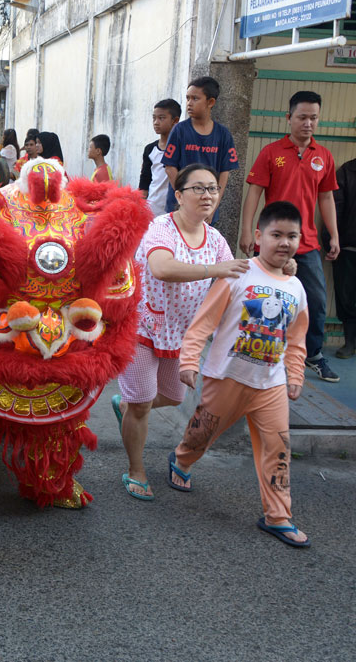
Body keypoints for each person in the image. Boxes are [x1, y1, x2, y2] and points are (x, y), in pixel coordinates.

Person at [169, 200, 310, 548]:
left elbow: (296, 340)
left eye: (292, 236)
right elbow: (204, 322)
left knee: (278, 449)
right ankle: (181, 460)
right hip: (226, 377)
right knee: (202, 434)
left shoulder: (297, 288)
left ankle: (278, 516)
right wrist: (189, 362)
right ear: (258, 236)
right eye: (276, 234)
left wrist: (295, 376)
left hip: (271, 384)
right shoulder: (237, 274)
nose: (284, 243)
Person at [113, 164, 248, 501]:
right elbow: (161, 267)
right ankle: (135, 470)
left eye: (213, 189)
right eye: (198, 188)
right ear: (179, 195)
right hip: (143, 326)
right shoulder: (161, 227)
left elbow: (239, 279)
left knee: (173, 396)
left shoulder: (215, 239)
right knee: (143, 405)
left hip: (181, 336)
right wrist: (214, 269)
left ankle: (127, 403)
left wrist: (277, 268)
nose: (207, 195)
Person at [240, 90, 340, 382]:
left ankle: (314, 355)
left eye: (313, 118)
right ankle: (258, 355)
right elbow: (254, 193)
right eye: (302, 117)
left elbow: (327, 199)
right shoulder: (271, 153)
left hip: (306, 242)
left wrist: (333, 235)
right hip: (271, 242)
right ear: (288, 118)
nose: (308, 123)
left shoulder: (323, 156)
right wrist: (248, 232)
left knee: (317, 301)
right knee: (264, 299)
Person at [161, 76, 239, 223]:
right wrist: (185, 198)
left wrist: (213, 205)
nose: (189, 103)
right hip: (180, 208)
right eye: (187, 98)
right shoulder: (179, 130)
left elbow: (224, 173)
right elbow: (170, 168)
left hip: (206, 210)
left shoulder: (223, 135)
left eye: (195, 98)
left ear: (210, 102)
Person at [139, 99, 181, 216]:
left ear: (175, 121)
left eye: (161, 118)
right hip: (151, 209)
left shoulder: (181, 149)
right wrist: (140, 205)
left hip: (174, 209)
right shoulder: (150, 149)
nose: (156, 122)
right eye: (154, 118)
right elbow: (145, 179)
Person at [334, 157, 356, 358]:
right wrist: (332, 240)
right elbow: (335, 207)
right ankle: (350, 342)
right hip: (349, 245)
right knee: (346, 297)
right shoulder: (348, 171)